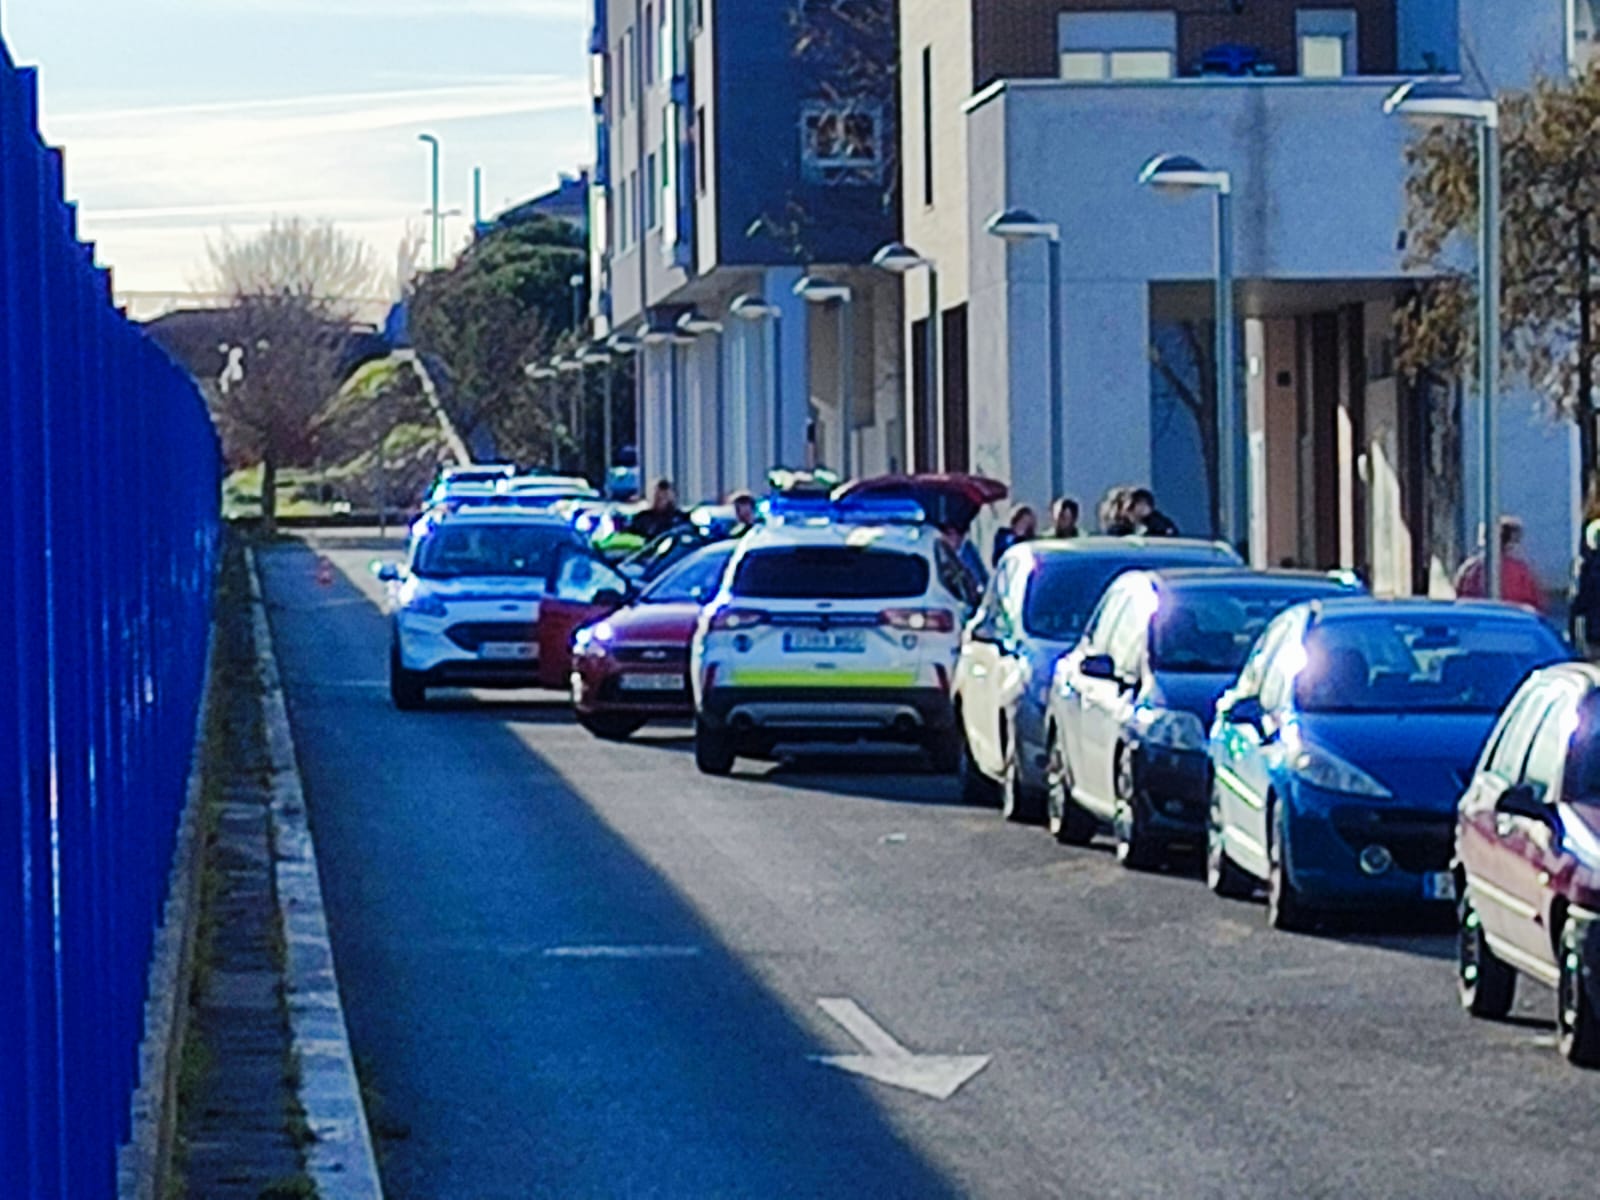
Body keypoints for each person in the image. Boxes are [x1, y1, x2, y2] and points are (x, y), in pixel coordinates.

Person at [1455, 517, 1545, 612]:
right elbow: (1537, 605)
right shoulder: (1522, 572)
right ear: (1512, 541)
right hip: (1511, 621)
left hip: (1477, 621)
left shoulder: (1469, 569)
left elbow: (1458, 599)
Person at [939, 523, 988, 597]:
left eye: (950, 534)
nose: (946, 539)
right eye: (945, 535)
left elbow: (977, 578)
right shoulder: (946, 553)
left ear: (959, 536)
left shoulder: (967, 553)